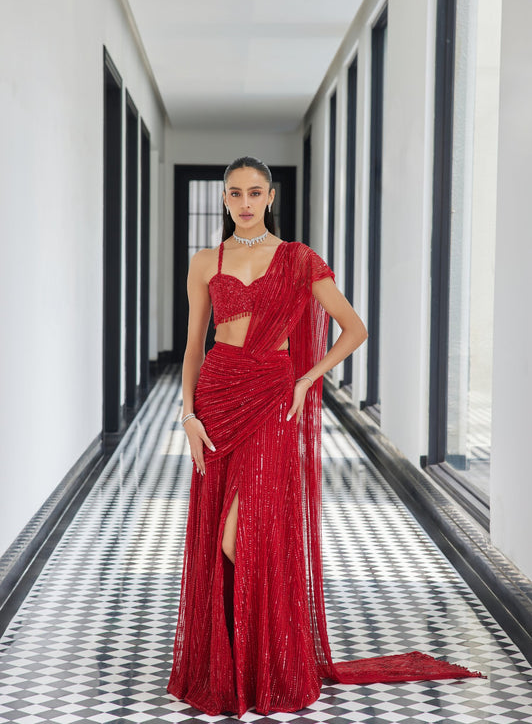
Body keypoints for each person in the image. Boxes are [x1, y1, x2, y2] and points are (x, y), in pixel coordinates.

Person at [166, 157, 483, 718]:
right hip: (216, 400)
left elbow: (354, 328)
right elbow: (195, 347)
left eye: (255, 192)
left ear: (270, 197)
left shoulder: (298, 259)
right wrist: (187, 415)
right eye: (234, 192)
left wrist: (308, 377)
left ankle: (267, 661)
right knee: (217, 526)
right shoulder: (204, 261)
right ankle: (232, 661)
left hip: (272, 400)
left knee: (240, 535)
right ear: (223, 199)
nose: (244, 202)